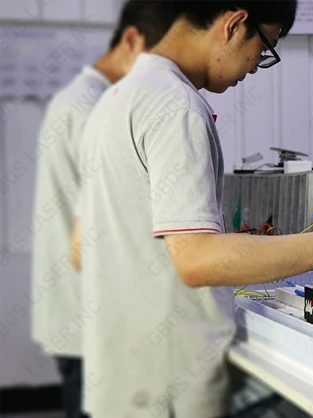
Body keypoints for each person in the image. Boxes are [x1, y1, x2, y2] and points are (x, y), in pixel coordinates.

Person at [70, 1, 313, 417]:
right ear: (234, 24)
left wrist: (230, 247)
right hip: (171, 375)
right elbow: (195, 260)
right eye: (265, 48)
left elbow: (83, 247)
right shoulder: (176, 107)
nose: (254, 66)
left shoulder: (117, 97)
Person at [29, 2, 176, 417]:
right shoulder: (93, 107)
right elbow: (106, 224)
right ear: (131, 40)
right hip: (88, 315)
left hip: (77, 310)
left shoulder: (79, 99)